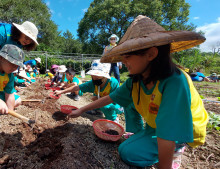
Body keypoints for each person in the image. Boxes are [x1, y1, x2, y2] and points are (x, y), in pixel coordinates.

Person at [68, 15, 209, 168]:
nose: (124, 62)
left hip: (180, 130)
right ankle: (141, 136)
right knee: (125, 145)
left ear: (151, 54)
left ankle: (177, 149)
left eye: (127, 56)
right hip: (155, 123)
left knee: (129, 153)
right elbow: (111, 98)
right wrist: (81, 110)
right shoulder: (136, 81)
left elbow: (168, 133)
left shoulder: (174, 81)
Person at [55, 60, 122, 122]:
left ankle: (113, 119)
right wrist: (61, 92)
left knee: (104, 105)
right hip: (100, 100)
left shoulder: (113, 83)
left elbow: (116, 100)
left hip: (114, 105)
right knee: (96, 98)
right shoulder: (93, 83)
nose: (94, 79)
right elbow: (77, 87)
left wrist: (99, 99)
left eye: (97, 77)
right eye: (93, 77)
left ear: (105, 75)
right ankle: (97, 111)